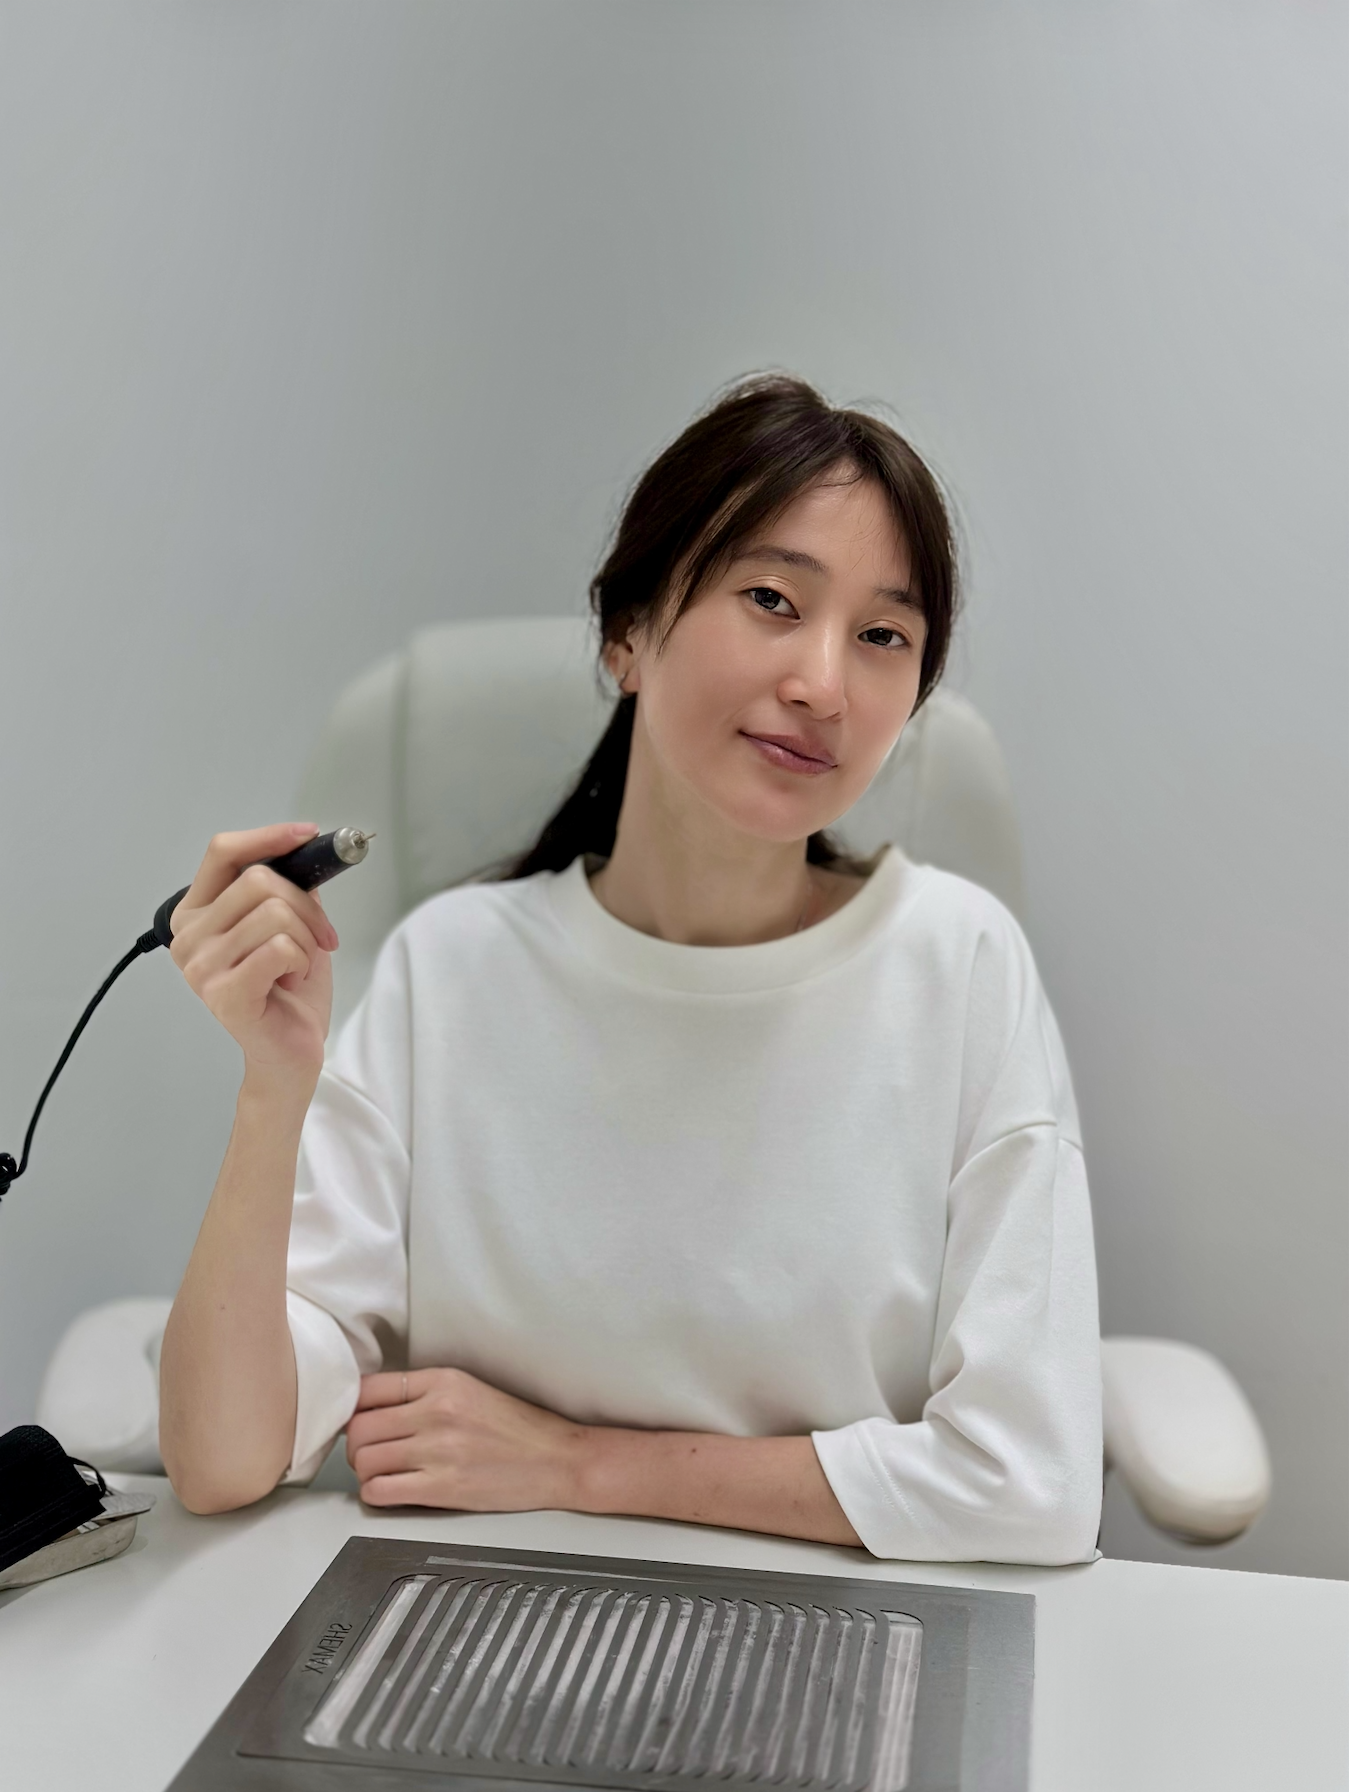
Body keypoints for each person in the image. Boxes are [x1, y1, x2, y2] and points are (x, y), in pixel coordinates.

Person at [158, 373, 1102, 1564]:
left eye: (883, 636)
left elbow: (1033, 1482)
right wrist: (271, 1089)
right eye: (772, 597)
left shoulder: (961, 969)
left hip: (842, 1645)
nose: (822, 681)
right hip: (478, 1627)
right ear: (628, 634)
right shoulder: (447, 975)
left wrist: (580, 1463)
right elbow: (223, 1456)